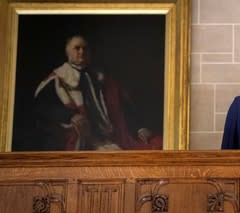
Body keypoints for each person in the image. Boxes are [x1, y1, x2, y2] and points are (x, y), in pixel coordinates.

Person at [34, 34, 162, 150]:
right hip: (83, 140)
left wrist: (138, 128)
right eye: (77, 48)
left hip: (113, 135)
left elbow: (123, 108)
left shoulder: (100, 77)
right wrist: (70, 116)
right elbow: (42, 107)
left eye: (85, 48)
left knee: (157, 145)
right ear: (68, 52)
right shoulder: (58, 78)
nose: (82, 52)